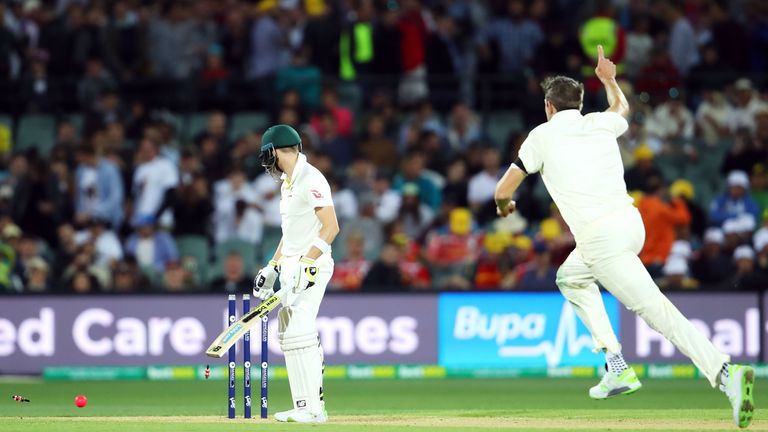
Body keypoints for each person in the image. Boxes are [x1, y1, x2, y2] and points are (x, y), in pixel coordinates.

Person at [492, 46, 754, 428]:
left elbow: (503, 190)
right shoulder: (599, 122)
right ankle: (615, 363)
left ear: (549, 106)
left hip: (601, 239)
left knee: (656, 312)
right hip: (630, 225)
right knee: (569, 277)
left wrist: (504, 209)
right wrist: (610, 80)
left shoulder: (541, 135)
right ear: (578, 104)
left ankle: (726, 374)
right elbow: (622, 110)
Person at [251, 124, 339, 423]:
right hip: (292, 265)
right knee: (288, 331)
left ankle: (315, 409)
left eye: (268, 154)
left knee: (301, 326)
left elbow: (331, 227)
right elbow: (290, 234)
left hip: (313, 266)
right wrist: (272, 265)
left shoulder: (311, 177)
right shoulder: (288, 182)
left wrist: (306, 263)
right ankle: (304, 406)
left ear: (274, 150)